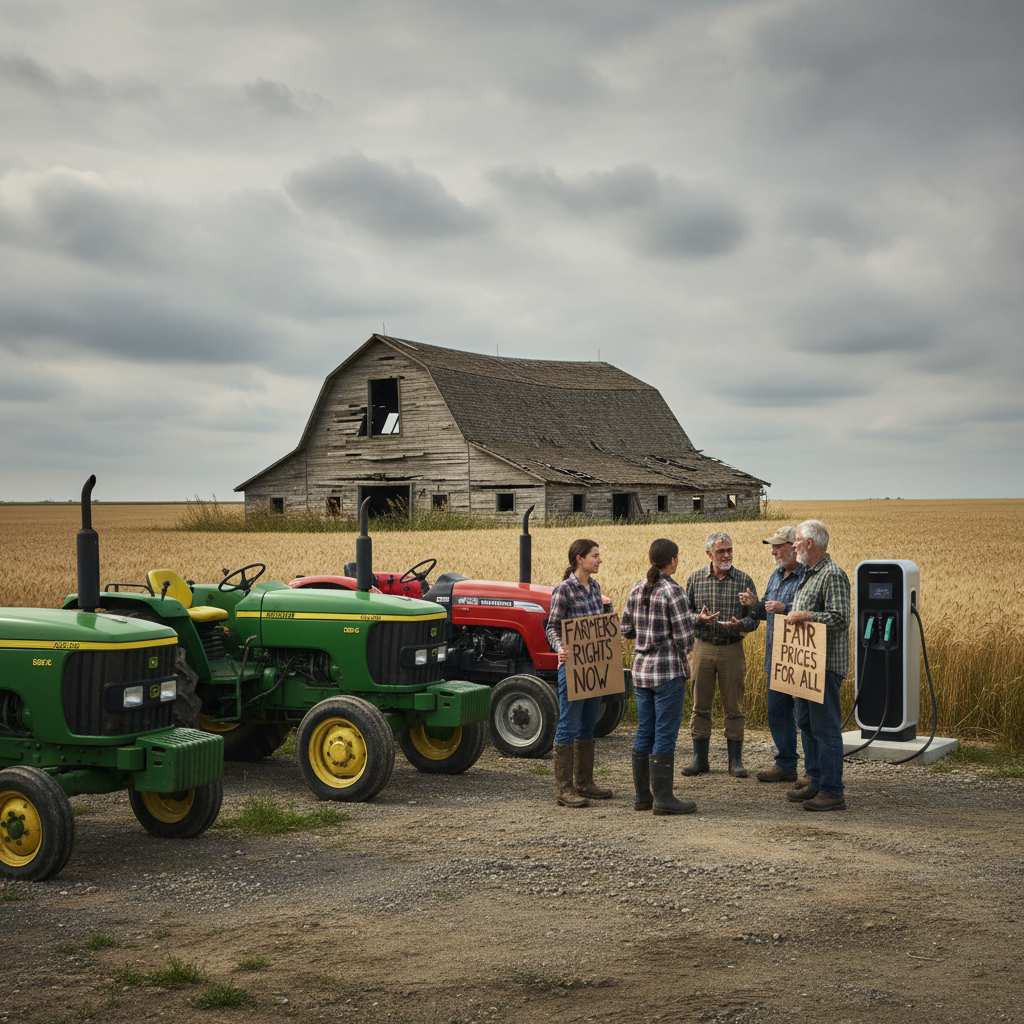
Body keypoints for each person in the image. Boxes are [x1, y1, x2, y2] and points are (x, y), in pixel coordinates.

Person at [620, 538, 698, 815]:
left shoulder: (637, 587)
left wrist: (644, 636)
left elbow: (625, 629)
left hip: (641, 670)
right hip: (667, 671)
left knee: (644, 731)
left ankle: (643, 797)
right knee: (664, 733)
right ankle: (664, 799)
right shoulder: (673, 591)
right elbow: (685, 636)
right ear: (673, 560)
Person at [785, 519, 851, 811]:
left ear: (810, 543)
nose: (794, 544)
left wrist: (806, 616)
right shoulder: (808, 574)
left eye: (797, 540)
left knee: (825, 729)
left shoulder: (832, 575)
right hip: (805, 667)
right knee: (806, 723)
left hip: (824, 666)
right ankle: (814, 779)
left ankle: (832, 790)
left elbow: (839, 618)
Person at [545, 538, 614, 808]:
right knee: (568, 724)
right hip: (572, 667)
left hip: (593, 667)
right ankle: (564, 788)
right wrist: (560, 648)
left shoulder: (595, 587)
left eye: (598, 555)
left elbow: (598, 625)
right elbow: (551, 626)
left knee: (588, 724)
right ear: (579, 559)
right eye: (594, 555)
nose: (599, 560)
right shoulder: (564, 590)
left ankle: (585, 782)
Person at [683, 531, 759, 778]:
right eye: (721, 551)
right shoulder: (695, 579)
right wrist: (699, 619)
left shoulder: (744, 580)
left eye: (729, 550)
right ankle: (699, 759)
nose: (726, 555)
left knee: (734, 705)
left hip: (732, 648)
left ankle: (735, 761)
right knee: (700, 704)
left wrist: (742, 624)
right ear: (709, 554)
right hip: (702, 647)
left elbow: (755, 619)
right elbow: (685, 614)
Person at [738, 526, 808, 784]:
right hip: (777, 657)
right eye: (772, 546)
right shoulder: (776, 575)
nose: (773, 551)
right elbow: (764, 612)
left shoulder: (807, 575)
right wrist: (753, 604)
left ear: (794, 546)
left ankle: (812, 772)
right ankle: (785, 764)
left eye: (778, 546)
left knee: (804, 715)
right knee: (777, 711)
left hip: (801, 659)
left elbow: (814, 610)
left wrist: (785, 608)